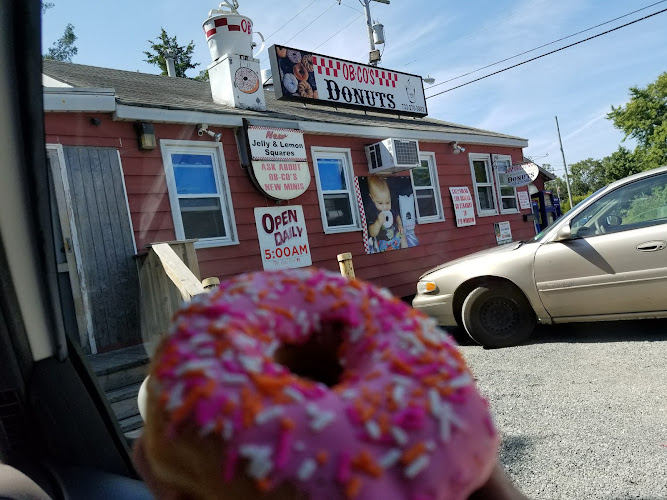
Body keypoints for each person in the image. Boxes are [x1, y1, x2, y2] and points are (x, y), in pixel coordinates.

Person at [366, 176, 408, 252]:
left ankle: (405, 253)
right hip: (383, 243)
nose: (385, 207)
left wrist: (400, 225)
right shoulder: (374, 213)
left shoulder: (391, 210)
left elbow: (397, 216)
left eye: (388, 202)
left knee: (403, 236)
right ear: (372, 199)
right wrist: (378, 222)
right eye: (380, 203)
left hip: (395, 237)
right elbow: (372, 233)